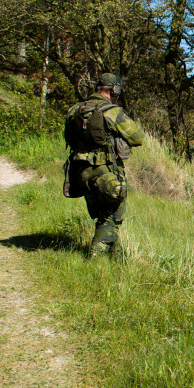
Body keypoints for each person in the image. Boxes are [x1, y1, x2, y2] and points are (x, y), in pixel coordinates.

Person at [64, 73, 145, 258]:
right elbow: (138, 137)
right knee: (112, 215)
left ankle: (117, 257)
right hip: (106, 173)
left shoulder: (74, 110)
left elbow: (68, 138)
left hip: (79, 173)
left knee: (103, 214)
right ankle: (95, 255)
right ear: (114, 89)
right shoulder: (111, 111)